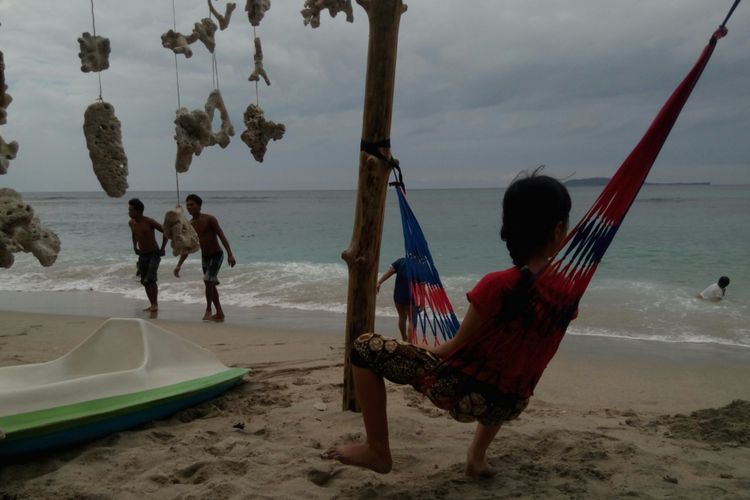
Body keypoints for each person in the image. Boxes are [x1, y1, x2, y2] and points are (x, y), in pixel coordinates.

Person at [322, 170, 573, 478]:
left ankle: (376, 449)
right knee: (505, 361)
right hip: (511, 401)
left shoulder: (497, 286)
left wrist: (418, 347)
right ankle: (476, 457)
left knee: (363, 348)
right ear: (559, 230)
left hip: (461, 393)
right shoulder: (566, 294)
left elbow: (452, 350)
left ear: (509, 230)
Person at [174, 193, 236, 322]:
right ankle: (219, 313)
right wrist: (179, 265)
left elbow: (222, 236)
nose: (189, 207)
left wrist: (230, 254)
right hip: (205, 257)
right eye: (187, 205)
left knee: (208, 280)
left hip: (217, 254)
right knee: (210, 283)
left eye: (192, 204)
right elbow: (188, 247)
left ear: (199, 206)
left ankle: (208, 310)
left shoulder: (209, 219)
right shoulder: (190, 225)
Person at [128, 198, 167, 317]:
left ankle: (155, 304)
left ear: (139, 211)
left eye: (131, 210)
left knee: (151, 279)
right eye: (129, 210)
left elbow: (166, 231)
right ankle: (152, 304)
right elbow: (134, 234)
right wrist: (135, 246)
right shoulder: (132, 223)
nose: (129, 212)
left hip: (153, 254)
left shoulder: (149, 221)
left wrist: (163, 248)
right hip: (142, 255)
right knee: (144, 281)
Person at [376, 258, 410, 342]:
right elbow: (421, 284)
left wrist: (379, 282)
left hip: (399, 295)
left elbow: (390, 272)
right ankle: (410, 341)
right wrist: (422, 301)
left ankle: (404, 338)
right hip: (411, 296)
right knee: (412, 320)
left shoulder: (401, 261)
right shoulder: (419, 264)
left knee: (402, 317)